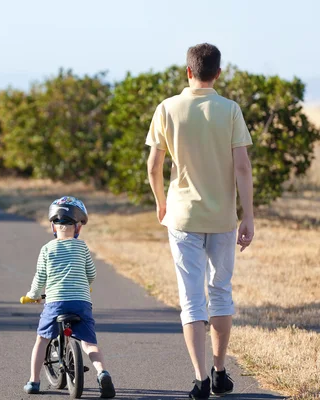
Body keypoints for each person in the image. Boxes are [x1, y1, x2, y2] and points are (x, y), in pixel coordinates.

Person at [145, 43, 254, 399]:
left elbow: (153, 166)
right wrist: (247, 215)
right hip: (222, 217)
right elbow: (242, 167)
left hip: (182, 216)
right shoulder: (231, 110)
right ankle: (220, 371)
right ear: (218, 73)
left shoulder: (167, 108)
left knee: (192, 299)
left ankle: (200, 380)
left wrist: (162, 202)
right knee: (220, 293)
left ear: (188, 71)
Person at [22, 196, 116, 398]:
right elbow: (91, 274)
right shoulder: (82, 247)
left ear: (53, 226)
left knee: (42, 339)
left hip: (55, 302)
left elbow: (40, 278)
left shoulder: (47, 249)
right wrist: (85, 287)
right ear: (78, 228)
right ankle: (102, 373)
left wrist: (33, 295)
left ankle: (34, 381)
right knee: (89, 343)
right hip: (81, 302)